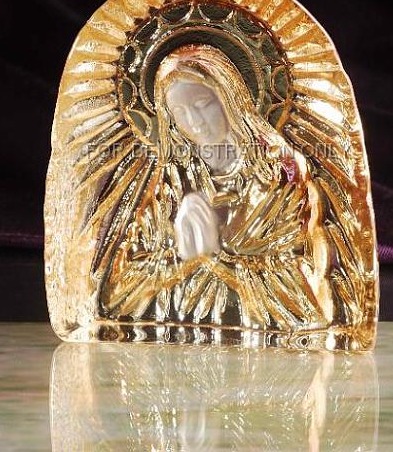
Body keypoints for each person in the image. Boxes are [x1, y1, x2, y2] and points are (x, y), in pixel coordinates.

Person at [99, 44, 349, 331]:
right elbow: (116, 294)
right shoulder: (172, 181)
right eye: (179, 111)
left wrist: (213, 255)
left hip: (265, 349)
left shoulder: (280, 176)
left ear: (230, 98)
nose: (194, 123)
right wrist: (183, 256)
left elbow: (313, 302)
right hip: (181, 348)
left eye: (203, 105)